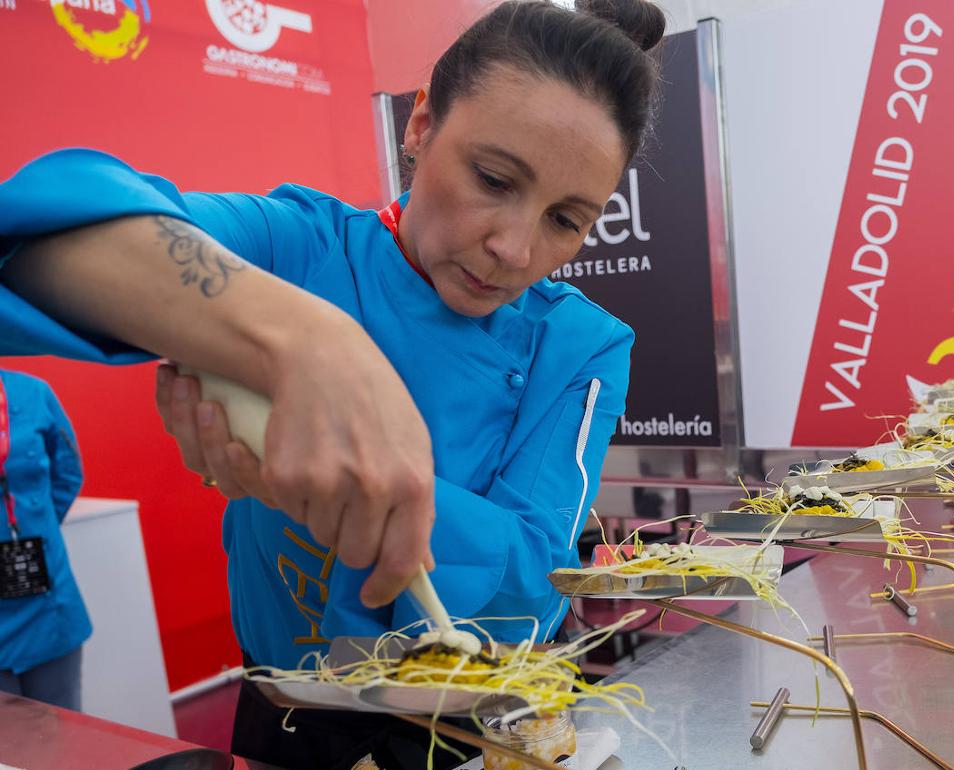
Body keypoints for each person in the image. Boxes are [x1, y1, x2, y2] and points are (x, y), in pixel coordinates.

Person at [0, 0, 664, 766]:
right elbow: (41, 236)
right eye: (492, 178)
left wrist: (313, 477)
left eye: (566, 220)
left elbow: (532, 574)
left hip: (479, 727)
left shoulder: (579, 343)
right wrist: (303, 337)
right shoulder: (300, 248)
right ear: (420, 127)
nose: (513, 249)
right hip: (292, 716)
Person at [0, 369, 88, 712]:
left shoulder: (33, 392)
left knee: (65, 731)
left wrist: (39, 527)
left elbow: (68, 472)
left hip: (47, 597)